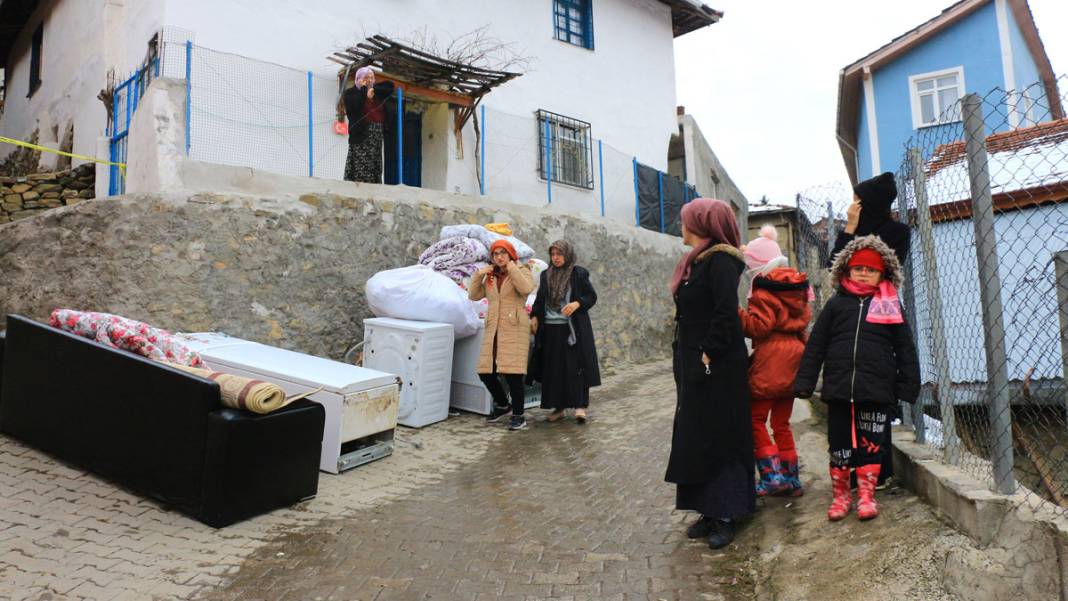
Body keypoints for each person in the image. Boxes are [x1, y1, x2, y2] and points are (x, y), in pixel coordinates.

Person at [794, 235, 920, 521]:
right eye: (858, 268)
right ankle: (841, 496)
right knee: (839, 444)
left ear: (882, 274)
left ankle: (866, 495)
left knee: (872, 443)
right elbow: (816, 345)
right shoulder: (836, 304)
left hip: (876, 389)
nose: (864, 273)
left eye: (871, 270)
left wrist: (908, 385)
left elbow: (905, 347)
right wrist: (804, 382)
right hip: (839, 389)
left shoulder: (890, 305)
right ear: (847, 270)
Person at [665, 198, 754, 550]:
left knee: (719, 433)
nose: (681, 226)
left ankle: (726, 513)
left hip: (716, 364)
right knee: (697, 433)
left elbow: (725, 312)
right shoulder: (698, 261)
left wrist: (709, 351)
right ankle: (707, 508)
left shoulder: (721, 261)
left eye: (686, 221)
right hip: (695, 361)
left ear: (702, 224)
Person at [829, 171, 912, 489]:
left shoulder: (898, 232)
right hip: (850, 312)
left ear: (871, 202)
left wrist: (858, 245)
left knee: (875, 396)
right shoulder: (854, 229)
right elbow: (834, 266)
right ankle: (852, 468)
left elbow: (890, 268)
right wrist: (849, 229)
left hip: (880, 313)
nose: (853, 206)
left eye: (858, 201)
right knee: (849, 401)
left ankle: (879, 470)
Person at [738, 225, 812, 497]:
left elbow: (759, 327)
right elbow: (803, 327)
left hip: (771, 358)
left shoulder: (764, 291)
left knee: (755, 419)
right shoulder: (797, 289)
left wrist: (737, 314)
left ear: (758, 267)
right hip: (794, 357)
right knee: (782, 423)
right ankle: (791, 480)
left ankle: (771, 477)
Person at [528, 240, 601, 424]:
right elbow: (540, 300)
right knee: (554, 370)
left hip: (572, 329)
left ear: (567, 255)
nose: (556, 258)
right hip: (550, 330)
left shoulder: (578, 274)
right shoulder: (546, 275)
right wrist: (534, 316)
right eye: (553, 254)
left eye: (559, 254)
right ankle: (558, 408)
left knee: (576, 368)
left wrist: (577, 303)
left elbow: (591, 296)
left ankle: (580, 406)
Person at [468, 240, 536, 431]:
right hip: (494, 328)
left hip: (514, 327)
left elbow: (525, 289)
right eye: (496, 254)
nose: (499, 257)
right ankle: (503, 405)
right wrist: (479, 275)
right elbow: (473, 295)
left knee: (513, 373)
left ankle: (519, 415)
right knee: (485, 371)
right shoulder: (491, 276)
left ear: (511, 254)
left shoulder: (522, 270)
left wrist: (511, 267)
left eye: (503, 253)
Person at [342, 67, 395, 183]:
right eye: (366, 78)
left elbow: (390, 86)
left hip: (377, 135)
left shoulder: (376, 93)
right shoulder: (351, 93)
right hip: (362, 135)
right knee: (361, 166)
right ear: (359, 79)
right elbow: (355, 106)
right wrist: (363, 92)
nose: (369, 80)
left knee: (375, 166)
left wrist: (373, 88)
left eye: (371, 78)